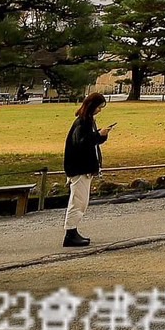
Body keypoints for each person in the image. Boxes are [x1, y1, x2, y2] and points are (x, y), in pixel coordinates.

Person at [62, 92, 111, 248]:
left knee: (80, 201)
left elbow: (89, 142)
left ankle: (72, 231)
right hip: (79, 168)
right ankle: (70, 233)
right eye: (99, 107)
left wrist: (101, 135)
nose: (100, 110)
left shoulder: (87, 121)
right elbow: (82, 143)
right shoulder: (83, 122)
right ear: (92, 106)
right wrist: (98, 135)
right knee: (78, 201)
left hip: (82, 167)